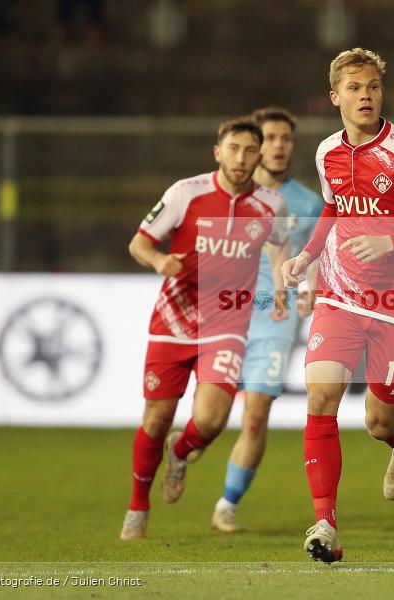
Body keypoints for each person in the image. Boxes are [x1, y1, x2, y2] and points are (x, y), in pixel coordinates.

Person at [281, 48, 394, 562]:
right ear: (335, 97)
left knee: (380, 421)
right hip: (340, 294)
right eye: (355, 88)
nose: (366, 96)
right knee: (320, 399)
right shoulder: (326, 153)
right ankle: (325, 525)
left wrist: (392, 242)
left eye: (373, 87)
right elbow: (335, 208)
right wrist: (308, 254)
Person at [119, 117, 287, 540]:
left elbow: (279, 248)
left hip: (226, 321)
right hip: (173, 320)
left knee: (211, 421)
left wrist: (282, 287)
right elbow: (139, 243)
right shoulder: (185, 193)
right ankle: (138, 508)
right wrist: (159, 261)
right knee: (156, 418)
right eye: (234, 148)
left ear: (259, 156)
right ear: (219, 152)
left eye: (251, 150)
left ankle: (181, 451)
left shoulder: (271, 205)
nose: (242, 157)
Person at [211, 107, 323, 533]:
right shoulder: (225, 195)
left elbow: (314, 257)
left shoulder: (309, 203)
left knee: (255, 415)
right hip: (226, 312)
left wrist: (310, 287)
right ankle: (184, 451)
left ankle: (227, 503)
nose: (279, 146)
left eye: (285, 139)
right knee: (212, 417)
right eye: (271, 138)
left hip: (275, 317)